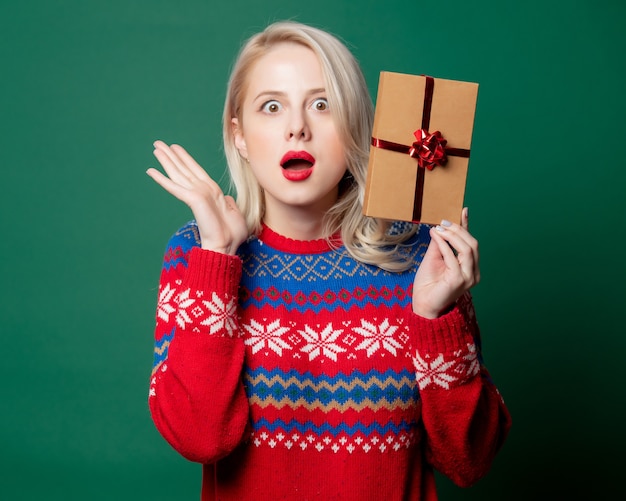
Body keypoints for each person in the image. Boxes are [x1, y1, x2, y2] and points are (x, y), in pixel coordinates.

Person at [146, 21, 511, 501]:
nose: (297, 127)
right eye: (271, 107)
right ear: (239, 135)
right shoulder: (198, 255)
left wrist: (433, 319)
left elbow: (470, 461)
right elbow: (199, 437)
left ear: (357, 127)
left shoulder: (423, 259)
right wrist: (217, 259)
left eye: (322, 105)